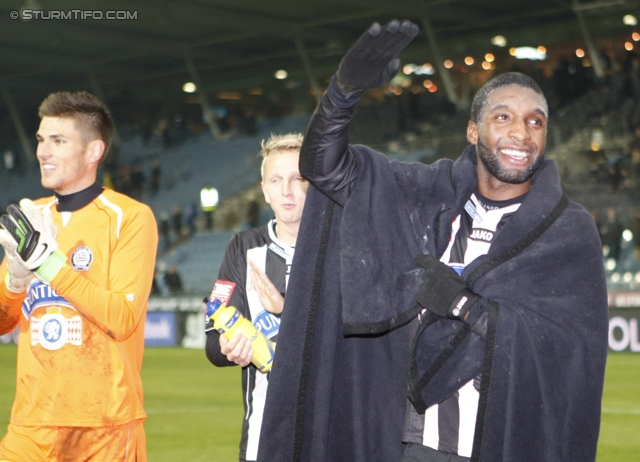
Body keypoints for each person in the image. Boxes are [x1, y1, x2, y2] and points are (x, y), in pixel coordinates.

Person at [257, 21, 608, 462]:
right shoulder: (422, 196)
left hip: (506, 444)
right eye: (503, 117)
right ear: (473, 131)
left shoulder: (567, 232)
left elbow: (574, 351)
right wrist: (343, 92)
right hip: (411, 446)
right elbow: (324, 167)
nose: (521, 133)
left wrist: (464, 306)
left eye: (535, 122)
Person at [0, 91, 158, 461]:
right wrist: (16, 281)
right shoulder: (32, 219)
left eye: (58, 141)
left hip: (106, 425)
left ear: (93, 152)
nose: (42, 151)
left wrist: (49, 265)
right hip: (31, 425)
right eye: (41, 140)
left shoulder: (130, 218)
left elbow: (121, 318)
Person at [205, 133, 308, 462]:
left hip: (332, 431)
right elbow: (213, 342)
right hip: (264, 437)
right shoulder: (243, 248)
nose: (287, 191)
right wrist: (228, 348)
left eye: (298, 179)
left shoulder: (340, 248)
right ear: (264, 190)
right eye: (276, 180)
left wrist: (285, 311)